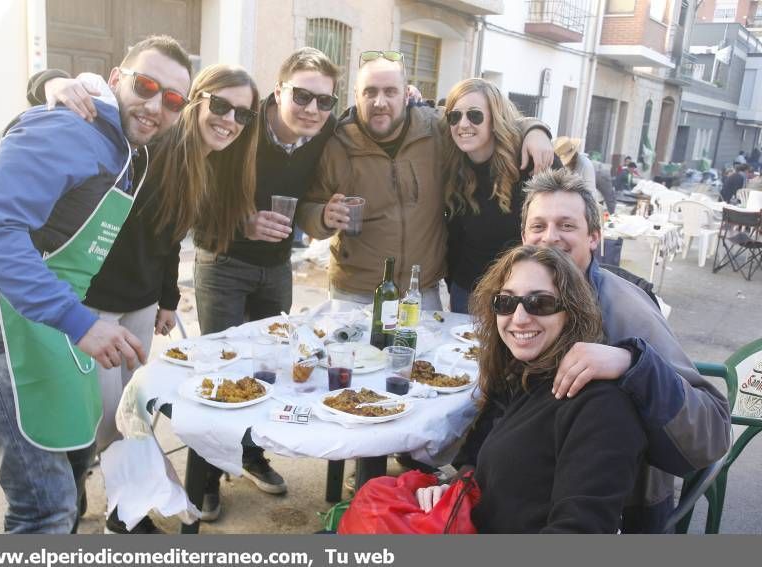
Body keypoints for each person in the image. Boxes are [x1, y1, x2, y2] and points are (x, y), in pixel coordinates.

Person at [0, 35, 192, 533]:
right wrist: (80, 323)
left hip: (36, 317)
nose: (155, 106)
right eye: (146, 85)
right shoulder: (67, 127)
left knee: (71, 462)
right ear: (115, 80)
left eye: (172, 99)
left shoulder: (123, 146)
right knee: (45, 507)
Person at [31, 62, 259, 532]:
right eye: (220, 105)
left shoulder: (206, 163)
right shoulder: (152, 142)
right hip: (91, 304)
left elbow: (169, 238)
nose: (229, 120)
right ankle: (74, 507)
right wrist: (50, 81)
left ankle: (121, 510)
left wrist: (167, 299)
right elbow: (83, 96)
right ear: (194, 101)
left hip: (138, 303)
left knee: (133, 412)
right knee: (100, 420)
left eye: (242, 114)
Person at [452, 169, 732, 532]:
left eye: (566, 225)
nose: (550, 237)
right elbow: (505, 401)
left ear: (595, 237)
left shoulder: (624, 309)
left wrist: (633, 363)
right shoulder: (520, 298)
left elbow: (711, 431)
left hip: (622, 509)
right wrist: (464, 477)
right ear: (524, 236)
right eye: (538, 226)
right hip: (526, 495)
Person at [192, 47, 341, 517]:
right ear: (278, 91)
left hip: (276, 268)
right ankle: (206, 477)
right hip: (223, 260)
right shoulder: (237, 123)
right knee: (220, 370)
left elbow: (387, 110)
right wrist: (243, 223)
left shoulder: (325, 129)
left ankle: (251, 455)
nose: (313, 109)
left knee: (269, 368)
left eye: (324, 101)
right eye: (302, 96)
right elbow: (192, 203)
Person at [417, 245, 648, 532]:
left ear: (571, 312)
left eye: (539, 303)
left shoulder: (600, 407)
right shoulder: (524, 377)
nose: (520, 317)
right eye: (505, 302)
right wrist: (453, 488)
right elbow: (493, 466)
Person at [296, 51, 555, 306]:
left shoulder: (436, 128)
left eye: (390, 91)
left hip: (419, 291)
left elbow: (487, 122)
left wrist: (534, 130)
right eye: (370, 92)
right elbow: (306, 207)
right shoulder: (335, 144)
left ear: (406, 94)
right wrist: (322, 216)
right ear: (356, 95)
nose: (379, 102)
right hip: (355, 292)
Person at [443, 78, 550, 313]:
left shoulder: (528, 160)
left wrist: (537, 130)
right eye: (455, 116)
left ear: (495, 119)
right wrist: (453, 285)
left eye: (475, 115)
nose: (463, 124)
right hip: (467, 293)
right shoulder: (452, 164)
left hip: (519, 295)